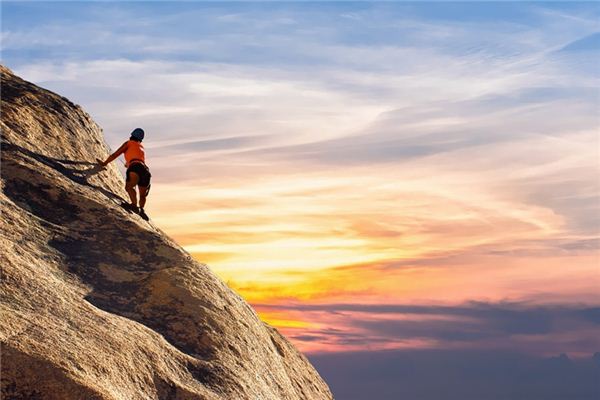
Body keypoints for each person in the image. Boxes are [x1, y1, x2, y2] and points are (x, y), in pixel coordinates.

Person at [99, 128, 151, 220]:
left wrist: (105, 163)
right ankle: (142, 210)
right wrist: (129, 164)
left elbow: (115, 155)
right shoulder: (141, 147)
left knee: (129, 187)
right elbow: (138, 159)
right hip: (145, 171)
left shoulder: (128, 143)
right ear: (140, 139)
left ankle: (134, 206)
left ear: (131, 136)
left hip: (135, 167)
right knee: (142, 195)